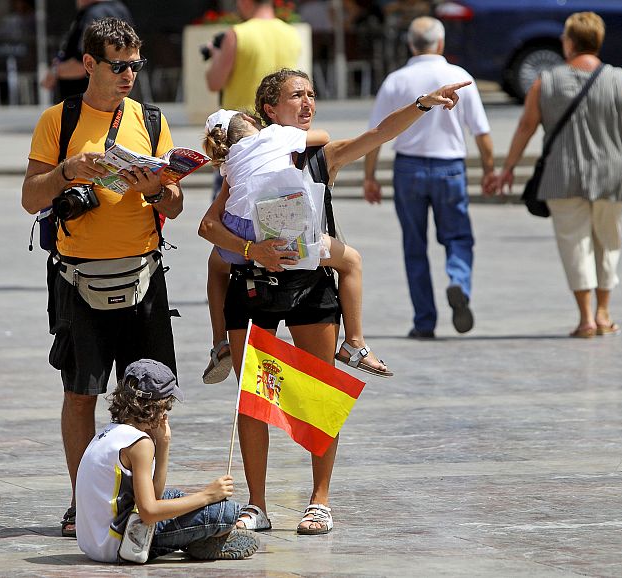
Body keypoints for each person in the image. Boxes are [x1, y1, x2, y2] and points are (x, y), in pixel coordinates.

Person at [199, 67, 470, 535]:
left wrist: (423, 104)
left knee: (318, 395)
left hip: (309, 285)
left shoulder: (321, 157)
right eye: (295, 96)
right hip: (255, 286)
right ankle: (257, 504)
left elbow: (379, 133)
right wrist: (252, 250)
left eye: (311, 94)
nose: (307, 103)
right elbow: (209, 227)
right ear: (269, 110)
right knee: (252, 399)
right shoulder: (248, 160)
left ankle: (319, 500)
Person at [21, 17, 183, 538]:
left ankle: (146, 504)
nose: (129, 75)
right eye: (118, 66)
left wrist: (156, 188)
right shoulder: (59, 120)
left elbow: (175, 205)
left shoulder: (151, 121)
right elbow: (30, 197)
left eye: (135, 65)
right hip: (77, 278)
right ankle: (82, 502)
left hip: (143, 277)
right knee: (80, 395)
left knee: (151, 395)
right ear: (89, 64)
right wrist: (68, 171)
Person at [495, 12, 622, 337]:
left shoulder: (545, 82)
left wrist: (508, 168)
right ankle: (604, 312)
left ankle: (586, 317)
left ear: (570, 42)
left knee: (574, 243)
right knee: (608, 240)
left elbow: (525, 127)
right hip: (612, 175)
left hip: (563, 176)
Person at [201, 109, 393, 377]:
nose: (308, 104)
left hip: (239, 231)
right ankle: (355, 342)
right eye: (298, 95)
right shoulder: (275, 135)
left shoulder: (230, 160)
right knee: (351, 261)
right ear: (255, 118)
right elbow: (324, 135)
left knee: (216, 264)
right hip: (282, 230)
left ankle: (220, 342)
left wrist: (249, 250)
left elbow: (208, 225)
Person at [363, 16, 496, 339]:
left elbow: (377, 133)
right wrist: (489, 170)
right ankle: (458, 281)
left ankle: (424, 321)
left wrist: (370, 176)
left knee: (414, 245)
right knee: (458, 237)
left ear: (411, 45)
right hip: (450, 167)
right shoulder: (460, 77)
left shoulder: (396, 80)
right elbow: (481, 131)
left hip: (408, 169)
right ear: (441, 43)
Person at [201, 0, 302, 384]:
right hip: (282, 147)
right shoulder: (290, 33)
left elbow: (214, 82)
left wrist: (215, 57)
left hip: (239, 148)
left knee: (219, 261)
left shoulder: (236, 35)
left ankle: (221, 341)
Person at [76, 359, 258, 562]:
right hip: (120, 544)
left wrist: (163, 444)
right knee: (226, 512)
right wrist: (207, 495)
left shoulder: (109, 433)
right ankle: (200, 540)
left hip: (96, 543)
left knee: (174, 496)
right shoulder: (139, 444)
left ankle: (198, 538)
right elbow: (149, 512)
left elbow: (154, 496)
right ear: (157, 405)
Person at [42, 0, 133, 101]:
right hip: (109, 99)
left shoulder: (94, 14)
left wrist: (55, 72)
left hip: (85, 103)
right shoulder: (119, 9)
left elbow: (82, 64)